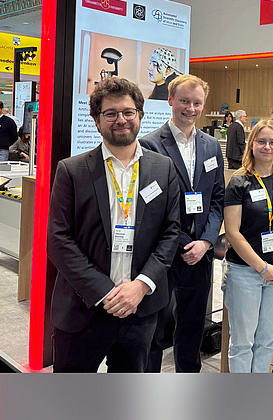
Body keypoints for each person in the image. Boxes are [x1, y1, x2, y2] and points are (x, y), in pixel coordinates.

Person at [45, 77, 186, 372]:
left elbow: (171, 232)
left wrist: (140, 286)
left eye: (128, 112)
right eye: (110, 113)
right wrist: (104, 292)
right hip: (84, 309)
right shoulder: (71, 171)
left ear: (140, 116)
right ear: (97, 121)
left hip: (140, 309)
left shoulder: (163, 168)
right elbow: (58, 240)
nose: (120, 120)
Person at [138, 74, 227, 373]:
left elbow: (217, 199)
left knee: (191, 324)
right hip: (162, 253)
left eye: (197, 103)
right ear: (171, 101)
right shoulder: (149, 145)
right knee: (155, 326)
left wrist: (206, 242)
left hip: (200, 253)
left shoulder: (212, 146)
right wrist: (180, 243)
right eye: (185, 101)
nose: (190, 108)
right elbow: (149, 206)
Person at [221, 120, 273, 372]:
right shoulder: (238, 182)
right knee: (243, 343)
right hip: (245, 272)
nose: (267, 147)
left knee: (265, 341)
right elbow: (232, 232)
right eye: (261, 141)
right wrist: (262, 267)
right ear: (252, 145)